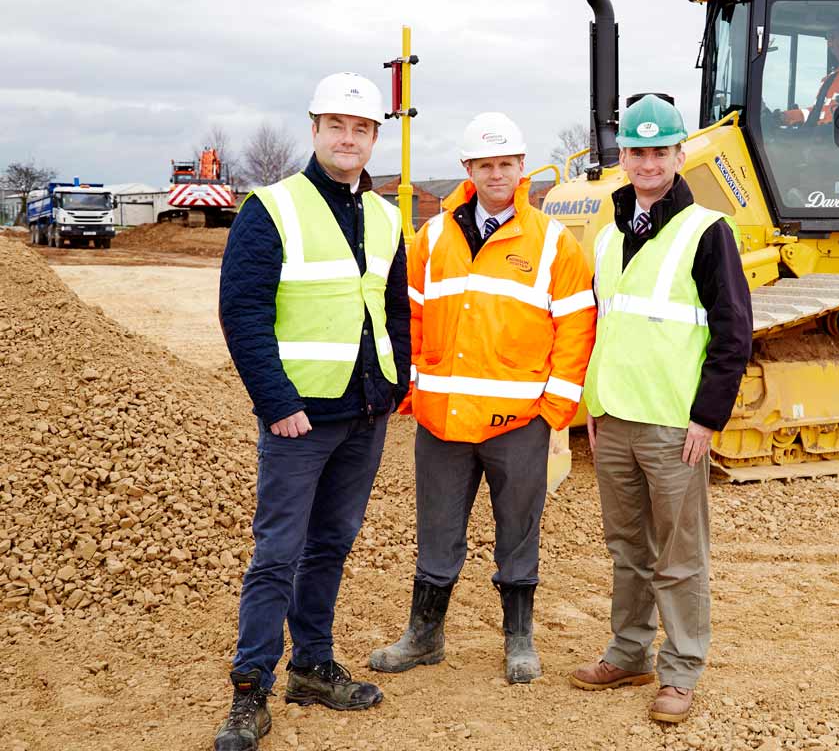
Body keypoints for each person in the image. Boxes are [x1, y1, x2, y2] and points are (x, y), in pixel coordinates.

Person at [214, 71, 409, 751]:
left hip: (364, 412)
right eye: (337, 126)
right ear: (316, 129)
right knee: (277, 552)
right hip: (298, 419)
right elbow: (243, 313)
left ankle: (313, 665)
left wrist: (395, 383)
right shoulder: (273, 207)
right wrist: (277, 402)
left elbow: (391, 306)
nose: (349, 138)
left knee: (331, 544)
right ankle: (249, 690)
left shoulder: (385, 215)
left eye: (361, 128)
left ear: (374, 138)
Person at [369, 112, 595, 684]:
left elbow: (576, 327)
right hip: (442, 421)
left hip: (518, 421)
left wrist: (554, 409)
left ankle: (519, 639)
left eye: (507, 164)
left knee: (519, 529)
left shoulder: (552, 242)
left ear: (522, 168)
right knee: (437, 528)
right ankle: (425, 635)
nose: (497, 175)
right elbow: (410, 315)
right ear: (468, 169)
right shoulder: (433, 237)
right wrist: (412, 388)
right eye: (485, 165)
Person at [569, 94, 753, 723]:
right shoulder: (608, 234)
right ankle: (628, 652)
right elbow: (605, 324)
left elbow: (734, 334)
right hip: (614, 417)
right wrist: (592, 402)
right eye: (637, 151)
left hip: (674, 424)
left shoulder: (707, 231)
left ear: (679, 155)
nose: (647, 162)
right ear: (623, 156)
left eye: (659, 151)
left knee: (678, 555)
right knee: (627, 547)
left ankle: (680, 671)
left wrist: (707, 417)